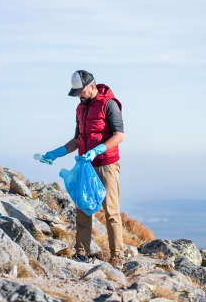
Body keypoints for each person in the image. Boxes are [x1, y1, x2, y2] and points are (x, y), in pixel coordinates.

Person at [41, 70, 125, 269]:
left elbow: (119, 135)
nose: (79, 95)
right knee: (82, 208)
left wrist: (98, 150)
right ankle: (81, 254)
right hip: (85, 165)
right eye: (77, 92)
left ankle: (117, 257)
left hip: (106, 165)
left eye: (81, 91)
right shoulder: (80, 109)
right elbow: (78, 140)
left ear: (92, 86)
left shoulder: (109, 104)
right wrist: (57, 152)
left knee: (110, 211)